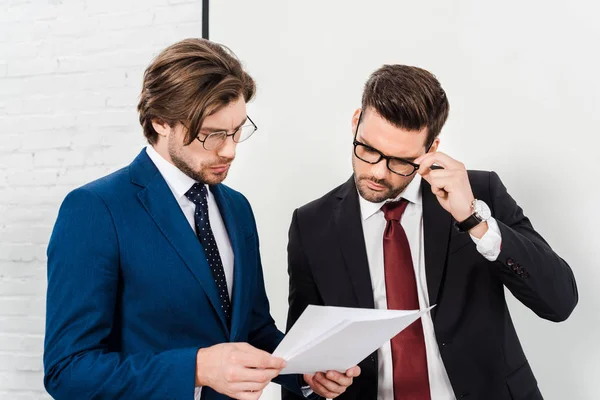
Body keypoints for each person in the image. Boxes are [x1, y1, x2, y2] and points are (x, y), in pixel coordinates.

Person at [43, 38, 359, 400]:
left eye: (238, 130)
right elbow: (67, 371)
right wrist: (197, 368)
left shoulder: (237, 208)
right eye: (212, 135)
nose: (230, 149)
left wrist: (305, 370)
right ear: (161, 121)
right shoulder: (95, 209)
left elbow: (252, 330)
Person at [283, 65, 577, 400]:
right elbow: (302, 356)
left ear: (430, 149)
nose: (378, 173)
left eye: (400, 160)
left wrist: (473, 221)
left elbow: (559, 302)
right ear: (356, 122)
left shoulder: (480, 193)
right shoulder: (312, 225)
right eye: (367, 149)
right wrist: (313, 381)